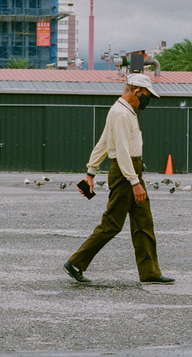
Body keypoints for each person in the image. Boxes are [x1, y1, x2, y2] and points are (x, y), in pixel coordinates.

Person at [63, 73, 174, 285]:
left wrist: (90, 172)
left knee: (144, 222)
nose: (147, 99)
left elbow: (103, 143)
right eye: (147, 95)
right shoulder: (122, 114)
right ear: (136, 91)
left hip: (129, 171)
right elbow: (122, 152)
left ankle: (150, 272)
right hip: (126, 173)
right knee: (112, 224)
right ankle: (76, 262)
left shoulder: (122, 111)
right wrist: (135, 182)